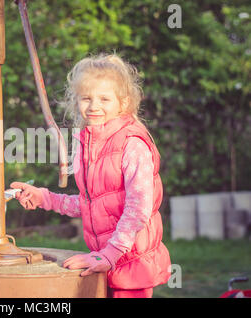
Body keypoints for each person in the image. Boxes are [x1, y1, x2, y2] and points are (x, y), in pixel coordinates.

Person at [11, 53, 171, 298]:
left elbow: (138, 209)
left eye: (104, 99)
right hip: (106, 260)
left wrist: (110, 254)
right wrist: (45, 198)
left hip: (130, 264)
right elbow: (92, 205)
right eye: (86, 98)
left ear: (124, 102)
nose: (94, 106)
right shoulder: (88, 143)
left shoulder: (132, 144)